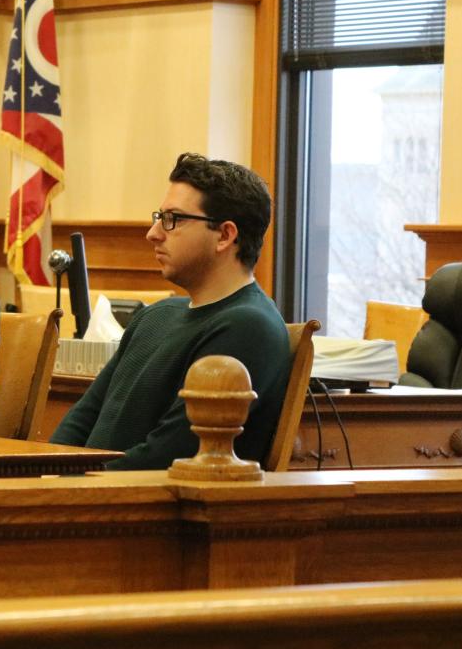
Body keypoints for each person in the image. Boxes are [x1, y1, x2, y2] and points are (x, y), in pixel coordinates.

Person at [51, 152, 291, 469]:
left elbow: (168, 457)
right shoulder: (157, 315)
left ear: (225, 235)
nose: (153, 233)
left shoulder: (248, 328)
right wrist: (40, 473)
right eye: (158, 217)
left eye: (172, 219)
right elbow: (84, 418)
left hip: (138, 507)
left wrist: (65, 489)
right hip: (85, 499)